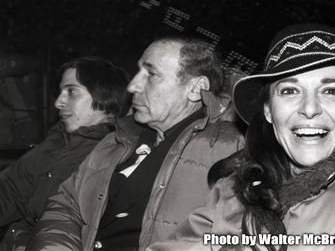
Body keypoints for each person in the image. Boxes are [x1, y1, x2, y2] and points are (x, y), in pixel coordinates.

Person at [147, 24, 335, 251]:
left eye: (331, 91)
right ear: (268, 111)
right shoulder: (232, 193)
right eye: (290, 90)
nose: (310, 109)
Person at [26, 38, 244, 251]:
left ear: (196, 89)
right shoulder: (116, 139)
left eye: (151, 75)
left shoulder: (231, 149)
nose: (132, 86)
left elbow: (232, 238)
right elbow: (66, 206)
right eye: (138, 72)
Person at [0, 56, 132, 250]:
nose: (58, 102)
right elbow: (10, 192)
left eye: (71, 91)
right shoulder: (57, 141)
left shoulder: (115, 155)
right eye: (61, 91)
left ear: (104, 95)